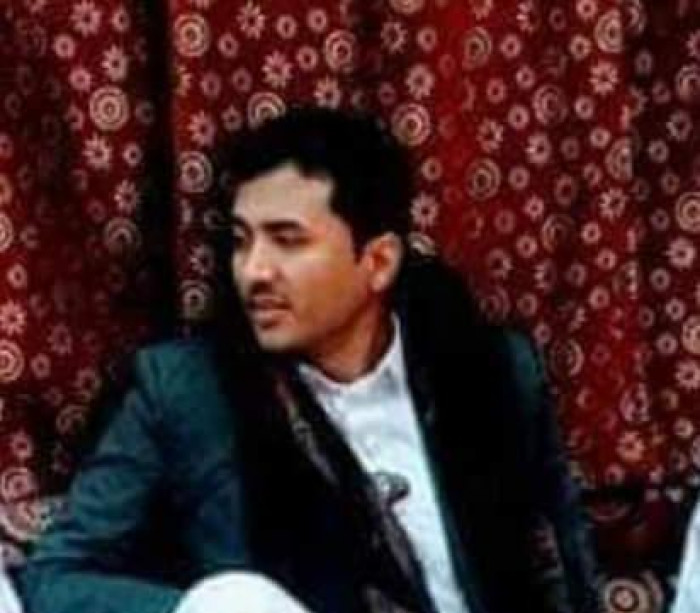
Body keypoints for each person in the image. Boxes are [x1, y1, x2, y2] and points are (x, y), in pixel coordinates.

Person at [18, 106, 600, 613]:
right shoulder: (185, 392)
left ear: (378, 262)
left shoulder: (489, 371)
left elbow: (571, 576)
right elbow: (56, 579)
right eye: (241, 240)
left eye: (288, 240)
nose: (253, 271)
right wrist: (215, 609)